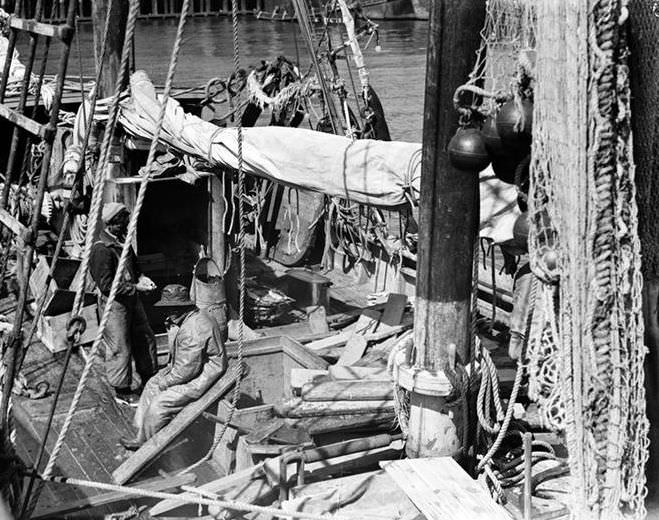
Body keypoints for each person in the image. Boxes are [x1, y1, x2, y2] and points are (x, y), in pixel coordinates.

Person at [120, 284, 228, 450]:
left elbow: (186, 371)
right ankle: (141, 433)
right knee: (151, 385)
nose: (166, 312)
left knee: (159, 404)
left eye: (170, 308)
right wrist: (163, 378)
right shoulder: (188, 318)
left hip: (202, 378)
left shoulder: (194, 329)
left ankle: (147, 445)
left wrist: (166, 382)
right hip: (190, 369)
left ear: (182, 308)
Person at [89, 202, 158, 406]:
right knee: (120, 346)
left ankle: (149, 379)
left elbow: (134, 266)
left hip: (132, 299)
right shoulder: (102, 250)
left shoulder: (122, 241)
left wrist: (142, 277)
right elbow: (106, 286)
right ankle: (122, 391)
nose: (128, 225)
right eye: (124, 222)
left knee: (145, 337)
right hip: (114, 305)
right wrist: (136, 288)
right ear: (112, 224)